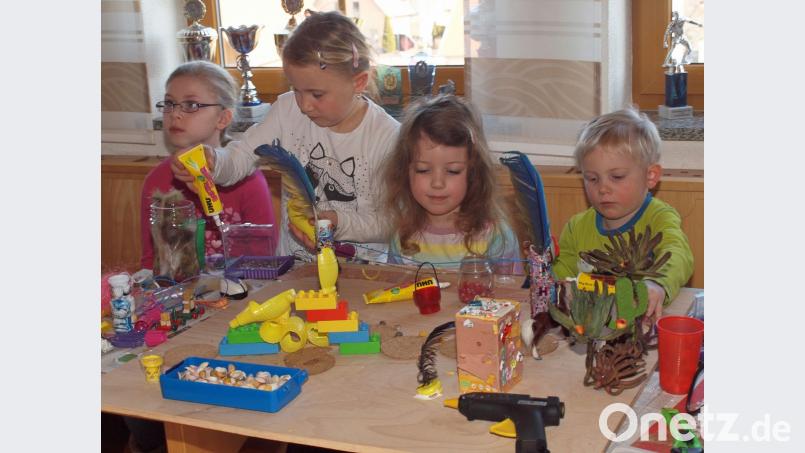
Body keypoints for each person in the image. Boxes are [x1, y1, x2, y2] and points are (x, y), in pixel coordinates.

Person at [171, 11, 399, 262]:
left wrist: (338, 222)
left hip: (363, 276)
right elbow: (242, 156)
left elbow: (389, 222)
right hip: (295, 270)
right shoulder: (287, 111)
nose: (304, 105)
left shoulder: (386, 137)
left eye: (317, 94)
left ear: (359, 82)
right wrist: (215, 162)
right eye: (296, 90)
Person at [552, 108, 694, 325]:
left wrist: (657, 284)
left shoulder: (659, 218)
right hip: (593, 329)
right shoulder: (577, 226)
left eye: (616, 177)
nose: (603, 189)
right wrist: (549, 278)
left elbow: (678, 254)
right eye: (592, 178)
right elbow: (562, 275)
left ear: (650, 176)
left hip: (643, 330)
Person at [140, 60, 276, 271]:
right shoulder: (157, 181)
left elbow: (264, 260)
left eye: (191, 105)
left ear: (223, 118)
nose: (175, 114)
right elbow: (152, 261)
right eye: (169, 103)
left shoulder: (248, 182)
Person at [380, 94, 519, 268]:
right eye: (423, 170)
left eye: (453, 171)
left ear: (473, 173)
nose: (437, 183)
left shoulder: (495, 236)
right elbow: (395, 289)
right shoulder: (403, 235)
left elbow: (512, 292)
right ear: (404, 172)